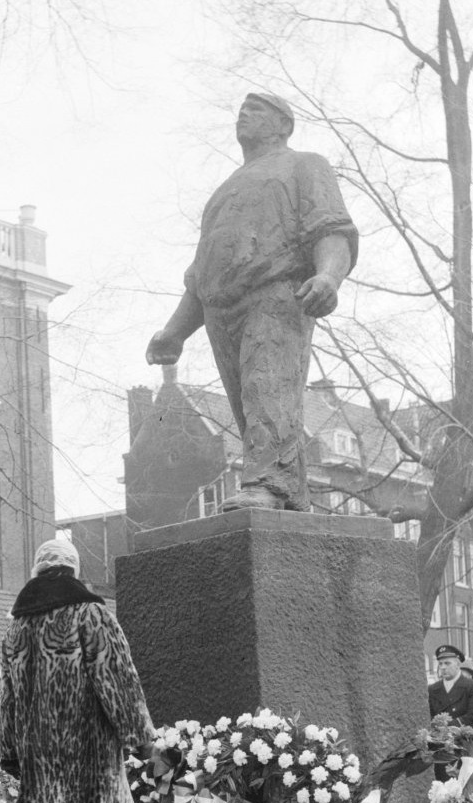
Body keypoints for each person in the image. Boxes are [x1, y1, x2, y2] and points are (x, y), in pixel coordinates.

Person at [146, 93, 358, 512]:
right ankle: (286, 493)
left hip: (277, 292)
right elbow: (201, 271)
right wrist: (175, 330)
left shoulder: (304, 165)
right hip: (219, 308)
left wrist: (329, 275)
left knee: (267, 387)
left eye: (256, 110)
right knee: (249, 406)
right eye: (241, 109)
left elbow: (331, 228)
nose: (243, 115)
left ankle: (269, 484)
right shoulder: (224, 191)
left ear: (283, 124)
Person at [0, 539, 155, 803]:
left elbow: (9, 697)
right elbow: (119, 681)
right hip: (91, 765)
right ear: (73, 569)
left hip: (39, 769)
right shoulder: (91, 614)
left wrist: (11, 754)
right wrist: (144, 742)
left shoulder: (16, 627)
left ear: (37, 569)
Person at [427, 645, 473, 733]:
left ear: (457, 664)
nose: (443, 667)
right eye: (440, 664)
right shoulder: (432, 689)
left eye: (447, 663)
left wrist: (449, 726)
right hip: (439, 740)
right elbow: (430, 716)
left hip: (465, 739)